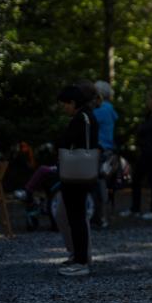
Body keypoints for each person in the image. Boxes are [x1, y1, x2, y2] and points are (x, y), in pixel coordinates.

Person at [56, 84, 99, 277]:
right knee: (75, 216)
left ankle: (81, 260)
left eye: (64, 104)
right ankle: (80, 257)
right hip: (82, 172)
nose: (63, 108)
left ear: (73, 103)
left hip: (76, 174)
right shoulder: (87, 116)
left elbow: (66, 141)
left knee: (77, 216)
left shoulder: (81, 118)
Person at [121, 91, 152, 220]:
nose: (147, 102)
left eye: (149, 99)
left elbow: (147, 130)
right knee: (136, 179)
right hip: (145, 151)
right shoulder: (149, 115)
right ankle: (135, 208)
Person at [92, 80, 118, 228]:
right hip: (109, 149)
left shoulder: (101, 109)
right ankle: (105, 215)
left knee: (99, 183)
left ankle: (101, 216)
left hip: (101, 149)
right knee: (106, 184)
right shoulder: (110, 109)